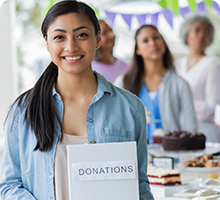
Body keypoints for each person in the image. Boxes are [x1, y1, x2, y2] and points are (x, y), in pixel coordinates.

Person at [0, 1, 154, 200]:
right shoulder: (23, 110)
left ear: (97, 39)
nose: (71, 47)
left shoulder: (131, 108)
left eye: (81, 35)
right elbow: (9, 185)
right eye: (59, 37)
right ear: (47, 42)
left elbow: (139, 185)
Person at [114, 24, 197, 144]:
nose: (152, 43)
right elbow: (117, 124)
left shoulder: (181, 84)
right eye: (145, 40)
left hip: (171, 157)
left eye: (156, 38)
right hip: (135, 157)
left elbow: (191, 129)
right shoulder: (123, 83)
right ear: (137, 49)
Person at [175, 15, 220, 142]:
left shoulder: (212, 64)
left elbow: (212, 106)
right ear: (186, 35)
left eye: (206, 32)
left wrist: (182, 104)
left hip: (205, 134)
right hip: (182, 132)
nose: (201, 35)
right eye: (197, 30)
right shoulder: (178, 64)